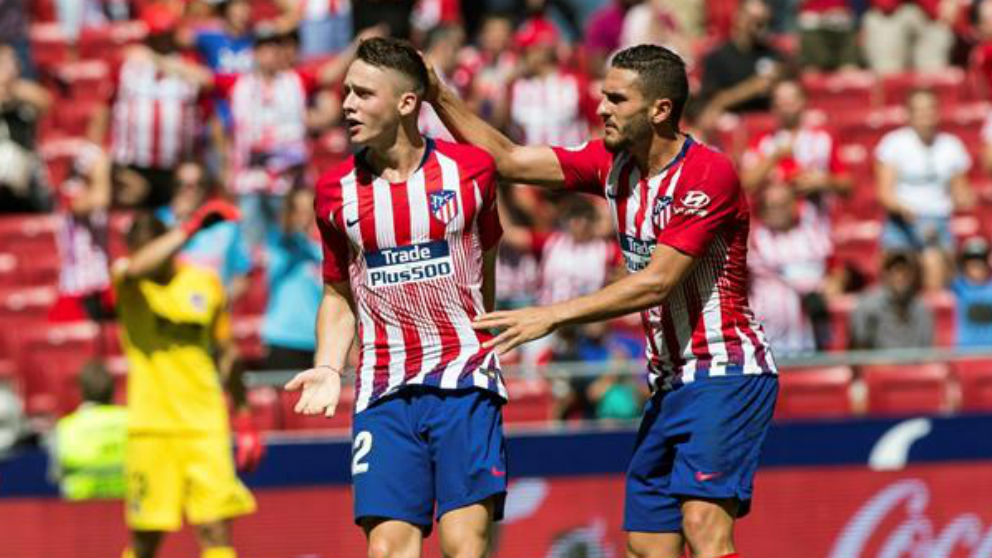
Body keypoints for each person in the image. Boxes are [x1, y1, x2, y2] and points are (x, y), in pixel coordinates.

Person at [429, 43, 778, 558]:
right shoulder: (612, 166)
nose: (602, 108)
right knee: (646, 543)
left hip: (727, 370)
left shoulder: (708, 175)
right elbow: (506, 159)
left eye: (617, 99)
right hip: (669, 382)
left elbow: (657, 282)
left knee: (704, 524)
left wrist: (552, 314)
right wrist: (438, 93)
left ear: (660, 109)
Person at [283, 37, 508, 558]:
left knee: (464, 545)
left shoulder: (471, 171)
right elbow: (339, 291)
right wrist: (327, 364)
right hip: (384, 389)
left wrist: (481, 334)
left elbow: (485, 259)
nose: (347, 104)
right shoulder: (334, 191)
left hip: (464, 383)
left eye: (363, 93)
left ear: (408, 103)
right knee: (387, 550)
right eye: (346, 92)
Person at [112, 207, 262, 558]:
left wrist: (244, 418)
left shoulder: (204, 283)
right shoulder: (128, 280)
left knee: (215, 529)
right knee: (147, 538)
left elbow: (227, 355)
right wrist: (190, 227)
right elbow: (137, 267)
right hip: (152, 428)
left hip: (205, 424)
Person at [875, 88, 974, 291]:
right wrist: (907, 212)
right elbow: (884, 193)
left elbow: (961, 191)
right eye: (919, 110)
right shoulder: (894, 144)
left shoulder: (951, 146)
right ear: (909, 114)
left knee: (934, 262)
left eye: (929, 109)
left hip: (938, 221)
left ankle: (933, 313)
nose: (925, 115)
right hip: (901, 222)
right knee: (897, 265)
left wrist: (965, 198)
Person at [740, 78, 851, 209]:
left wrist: (825, 182)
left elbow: (848, 185)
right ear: (773, 105)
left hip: (814, 224)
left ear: (804, 101)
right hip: (770, 225)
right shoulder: (761, 141)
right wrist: (775, 157)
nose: (787, 103)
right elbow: (744, 185)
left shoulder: (823, 140)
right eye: (780, 99)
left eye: (792, 98)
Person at [49, 141, 116, 323]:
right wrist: (103, 169)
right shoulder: (71, 190)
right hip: (78, 285)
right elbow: (100, 200)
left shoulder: (99, 188)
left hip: (101, 281)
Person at [261, 188, 322, 370]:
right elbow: (285, 229)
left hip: (316, 342)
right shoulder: (279, 244)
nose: (304, 216)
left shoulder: (322, 252)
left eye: (309, 210)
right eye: (298, 209)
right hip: (283, 338)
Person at [51, 360, 128, 500]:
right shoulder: (133, 422)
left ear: (81, 391)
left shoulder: (65, 428)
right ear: (112, 390)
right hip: (125, 508)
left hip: (80, 511)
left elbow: (55, 475)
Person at [700, 0, 783, 116]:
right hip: (729, 122)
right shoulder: (717, 57)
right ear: (738, 17)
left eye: (762, 21)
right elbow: (712, 103)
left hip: (767, 123)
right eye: (752, 19)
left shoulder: (774, 56)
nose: (758, 26)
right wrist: (753, 87)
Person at [849, 250, 933, 350]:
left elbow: (926, 351)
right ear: (886, 274)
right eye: (896, 270)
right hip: (877, 364)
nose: (900, 277)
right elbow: (859, 351)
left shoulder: (921, 309)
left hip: (912, 364)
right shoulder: (867, 306)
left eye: (906, 272)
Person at [950, 236, 992, 348]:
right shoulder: (958, 287)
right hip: (965, 355)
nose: (977, 265)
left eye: (981, 260)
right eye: (972, 261)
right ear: (964, 265)